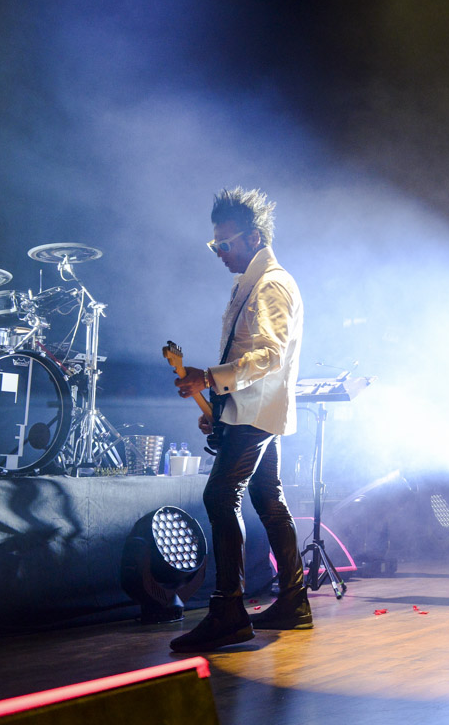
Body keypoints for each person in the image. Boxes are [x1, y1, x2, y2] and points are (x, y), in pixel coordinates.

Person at [169, 187, 310, 652]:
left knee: (220, 494)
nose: (218, 253)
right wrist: (220, 408)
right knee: (268, 499)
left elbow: (268, 354)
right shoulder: (252, 280)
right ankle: (293, 601)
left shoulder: (270, 283)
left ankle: (229, 610)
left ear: (251, 238)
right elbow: (251, 356)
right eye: (214, 245)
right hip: (251, 410)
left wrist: (208, 378)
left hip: (256, 411)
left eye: (223, 244)